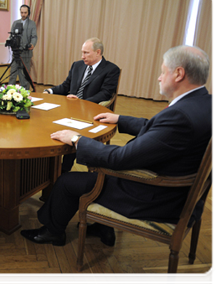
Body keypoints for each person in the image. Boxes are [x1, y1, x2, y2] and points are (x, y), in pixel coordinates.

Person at [21, 45, 215, 248]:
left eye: (162, 71)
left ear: (179, 74)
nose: (159, 77)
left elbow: (121, 158)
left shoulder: (180, 116)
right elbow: (159, 130)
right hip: (178, 187)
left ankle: (53, 232)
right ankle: (103, 227)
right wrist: (120, 119)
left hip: (156, 196)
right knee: (91, 173)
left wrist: (78, 140)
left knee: (67, 182)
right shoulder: (206, 103)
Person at [44, 37, 120, 173]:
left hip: (91, 113)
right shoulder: (77, 65)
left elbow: (105, 94)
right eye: (82, 52)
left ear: (98, 52)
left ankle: (63, 170)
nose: (82, 56)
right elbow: (65, 86)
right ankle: (47, 165)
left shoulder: (111, 69)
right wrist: (49, 91)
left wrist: (82, 102)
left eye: (86, 53)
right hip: (69, 109)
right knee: (45, 125)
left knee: (74, 133)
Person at [8, 4, 38, 89]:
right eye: (21, 12)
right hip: (16, 53)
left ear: (28, 13)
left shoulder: (32, 24)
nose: (23, 14)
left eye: (25, 13)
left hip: (26, 53)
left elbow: (34, 37)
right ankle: (10, 91)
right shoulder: (15, 23)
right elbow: (11, 35)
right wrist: (10, 41)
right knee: (13, 72)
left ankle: (25, 92)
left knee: (24, 74)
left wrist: (32, 44)